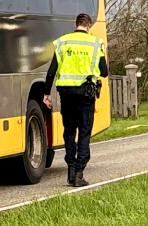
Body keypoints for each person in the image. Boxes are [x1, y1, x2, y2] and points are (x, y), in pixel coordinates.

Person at [42, 12, 108, 186]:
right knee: (84, 131)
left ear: (75, 23)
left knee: (69, 131)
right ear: (89, 25)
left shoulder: (63, 42)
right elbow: (104, 72)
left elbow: (51, 71)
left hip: (66, 93)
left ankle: (71, 170)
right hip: (86, 94)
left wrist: (46, 94)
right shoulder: (95, 43)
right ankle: (79, 173)